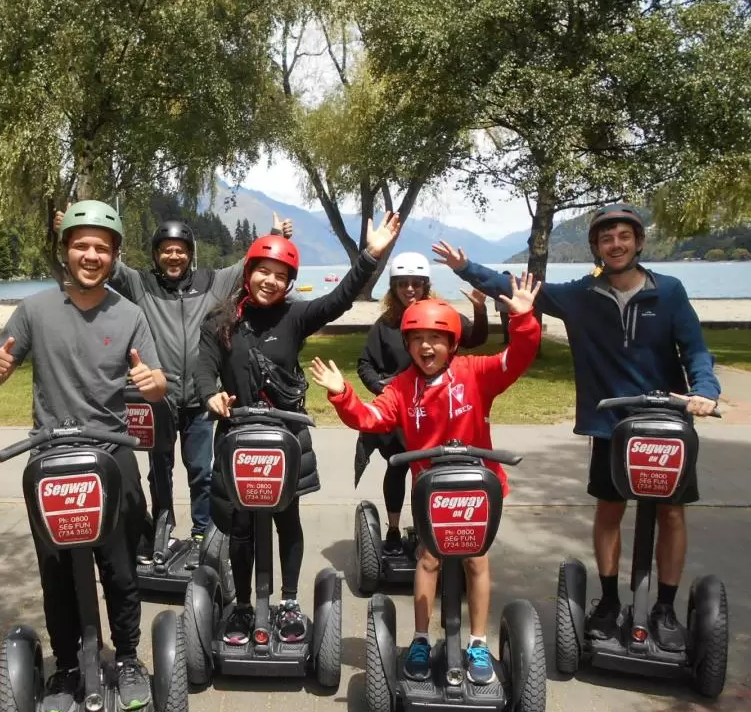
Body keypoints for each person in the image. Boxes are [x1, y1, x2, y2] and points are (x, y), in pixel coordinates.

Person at [434, 203, 721, 652]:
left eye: (624, 237)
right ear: (597, 247)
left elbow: (696, 350)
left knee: (671, 513)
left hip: (667, 426)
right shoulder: (582, 295)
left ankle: (664, 606)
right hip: (610, 425)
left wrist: (705, 389)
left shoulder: (669, 292)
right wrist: (465, 267)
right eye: (607, 239)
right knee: (609, 510)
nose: (616, 244)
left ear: (639, 242)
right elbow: (518, 288)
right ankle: (607, 600)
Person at [0, 199, 166, 712]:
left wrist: (154, 383)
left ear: (114, 256)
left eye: (101, 248)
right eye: (81, 245)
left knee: (122, 569)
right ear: (65, 251)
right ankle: (64, 665)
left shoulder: (129, 314)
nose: (90, 255)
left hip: (112, 454)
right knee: (57, 571)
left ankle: (127, 658)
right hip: (53, 459)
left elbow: (156, 382)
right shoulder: (33, 310)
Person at [311, 280, 542, 683]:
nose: (426, 347)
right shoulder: (402, 387)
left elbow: (518, 357)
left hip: (476, 488)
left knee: (475, 559)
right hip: (431, 492)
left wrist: (522, 319)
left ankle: (477, 643)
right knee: (429, 559)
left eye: (436, 338)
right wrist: (342, 394)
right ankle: (420, 638)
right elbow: (370, 419)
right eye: (417, 339)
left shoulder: (476, 373)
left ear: (453, 342)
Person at [197, 212, 403, 645]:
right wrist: (210, 397)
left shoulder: (295, 317)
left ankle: (288, 602)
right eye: (263, 272)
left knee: (285, 519)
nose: (270, 281)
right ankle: (242, 607)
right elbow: (203, 371)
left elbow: (341, 298)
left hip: (285, 436)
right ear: (248, 273)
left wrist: (371, 255)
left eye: (280, 276)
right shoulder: (219, 322)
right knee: (239, 526)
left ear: (289, 282)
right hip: (237, 437)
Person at [51, 210, 293, 567]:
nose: (173, 256)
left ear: (191, 252)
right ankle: (163, 528)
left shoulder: (214, 281)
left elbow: (253, 264)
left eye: (180, 249)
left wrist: (276, 235)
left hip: (198, 399)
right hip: (157, 399)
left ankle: (202, 532)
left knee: (200, 469)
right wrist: (73, 225)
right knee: (158, 470)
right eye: (166, 250)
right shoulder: (141, 285)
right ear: (155, 254)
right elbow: (106, 262)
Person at [355, 251, 489, 555]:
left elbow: (476, 338)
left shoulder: (442, 314)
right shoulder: (385, 325)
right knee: (398, 469)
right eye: (402, 283)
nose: (410, 289)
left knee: (434, 471)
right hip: (400, 411)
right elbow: (365, 364)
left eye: (416, 283)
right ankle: (392, 529)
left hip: (438, 412)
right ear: (393, 287)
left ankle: (431, 527)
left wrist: (480, 311)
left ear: (426, 285)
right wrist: (382, 389)